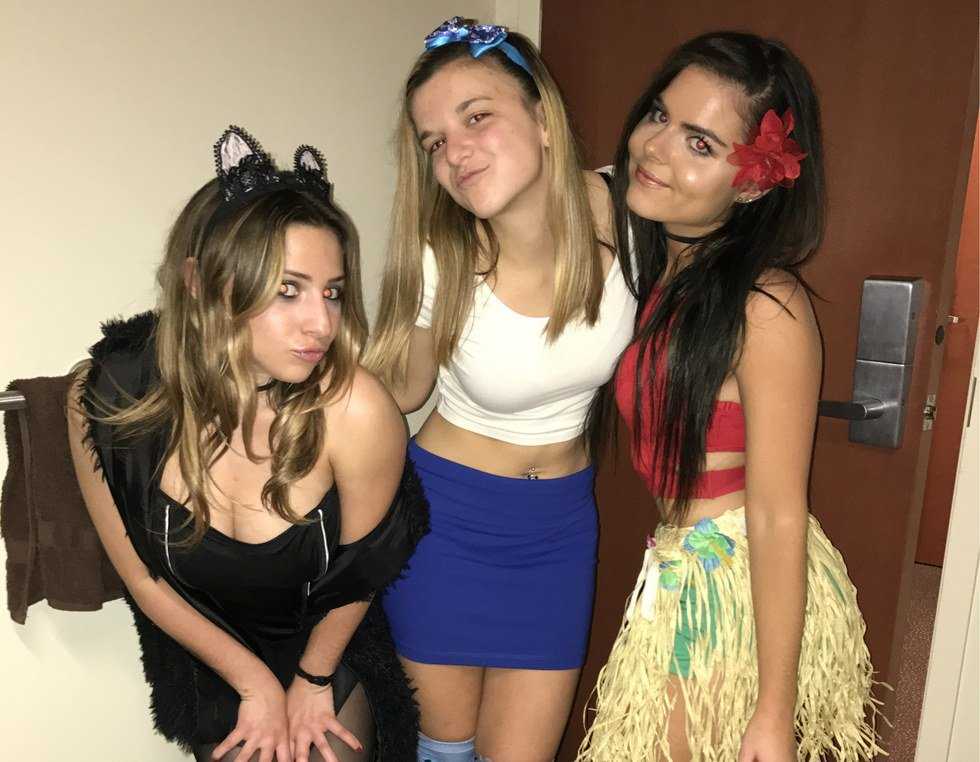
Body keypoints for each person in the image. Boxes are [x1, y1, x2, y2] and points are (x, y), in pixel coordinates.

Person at [67, 126, 428, 762]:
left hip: (327, 649)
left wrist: (312, 679)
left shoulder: (358, 410)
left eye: (332, 292)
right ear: (200, 282)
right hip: (207, 659)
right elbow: (144, 579)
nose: (321, 322)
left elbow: (363, 572)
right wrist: (254, 684)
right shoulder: (108, 399)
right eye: (288, 289)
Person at [576, 31, 883, 762]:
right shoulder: (669, 265)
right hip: (682, 570)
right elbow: (569, 183)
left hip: (728, 592)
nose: (656, 148)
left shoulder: (765, 306)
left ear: (751, 183)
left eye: (700, 143)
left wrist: (772, 715)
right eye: (658, 115)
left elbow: (778, 513)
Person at [363, 16, 636, 762]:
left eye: (476, 117)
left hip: (559, 532)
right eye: (434, 142)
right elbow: (398, 392)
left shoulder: (629, 219)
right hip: (444, 527)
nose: (455, 153)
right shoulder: (440, 257)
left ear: (544, 119)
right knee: (445, 752)